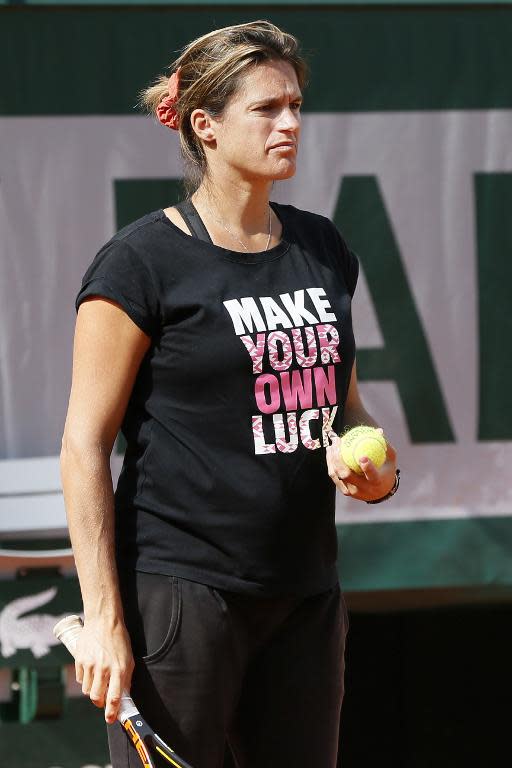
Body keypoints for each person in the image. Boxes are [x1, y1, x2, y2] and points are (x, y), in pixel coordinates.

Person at [60, 20, 398, 768]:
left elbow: (347, 406)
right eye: (268, 108)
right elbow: (83, 444)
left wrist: (376, 472)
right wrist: (105, 617)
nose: (291, 124)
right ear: (205, 125)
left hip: (306, 592)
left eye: (297, 106)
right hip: (180, 597)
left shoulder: (323, 248)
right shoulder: (139, 263)